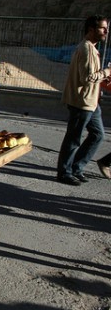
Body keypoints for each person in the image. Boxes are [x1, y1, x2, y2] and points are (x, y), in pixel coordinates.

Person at [56, 15, 110, 186]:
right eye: (102, 28)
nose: (106, 31)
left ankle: (76, 167)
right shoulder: (86, 49)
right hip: (82, 102)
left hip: (92, 102)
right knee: (73, 138)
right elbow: (86, 77)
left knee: (98, 135)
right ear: (91, 29)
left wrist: (103, 78)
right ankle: (64, 171)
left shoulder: (92, 48)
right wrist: (107, 72)